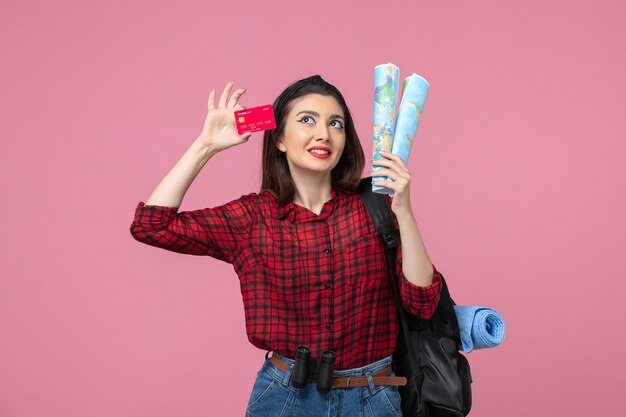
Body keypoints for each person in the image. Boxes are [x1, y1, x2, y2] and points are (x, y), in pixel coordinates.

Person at [129, 75, 443, 416]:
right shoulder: (252, 218)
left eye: (335, 123)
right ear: (278, 138)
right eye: (307, 119)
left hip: (373, 398)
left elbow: (422, 303)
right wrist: (206, 145)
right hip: (286, 398)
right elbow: (151, 225)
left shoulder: (375, 206)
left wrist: (405, 211)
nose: (323, 133)